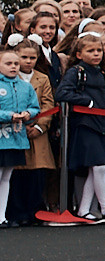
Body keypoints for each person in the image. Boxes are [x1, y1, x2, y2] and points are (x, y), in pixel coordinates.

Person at [57, 30, 105, 223]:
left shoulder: (103, 73)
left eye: (99, 50)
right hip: (85, 125)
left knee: (97, 169)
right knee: (99, 167)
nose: (96, 54)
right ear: (78, 54)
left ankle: (84, 209)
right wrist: (86, 101)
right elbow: (62, 93)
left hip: (102, 124)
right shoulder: (76, 72)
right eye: (91, 50)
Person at [7, 38, 59, 225]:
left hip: (37, 132)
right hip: (13, 130)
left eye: (32, 57)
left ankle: (34, 212)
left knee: (36, 174)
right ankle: (16, 213)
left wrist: (40, 126)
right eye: (24, 57)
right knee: (16, 174)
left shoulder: (42, 78)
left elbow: (48, 104)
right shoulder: (8, 78)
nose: (28, 61)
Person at [0, 44, 39, 227]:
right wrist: (8, 115)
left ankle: (2, 216)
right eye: (8, 63)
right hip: (2, 136)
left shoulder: (25, 86)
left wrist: (28, 114)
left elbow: (34, 106)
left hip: (16, 138)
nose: (13, 66)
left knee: (7, 176)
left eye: (16, 63)